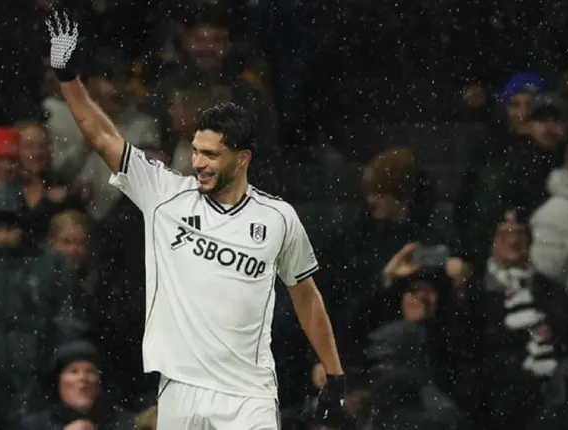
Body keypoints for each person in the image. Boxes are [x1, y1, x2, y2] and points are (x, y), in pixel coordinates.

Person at [43, 10, 345, 429]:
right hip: (181, 387)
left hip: (249, 392)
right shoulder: (165, 194)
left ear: (242, 159)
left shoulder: (278, 218)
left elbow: (306, 296)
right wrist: (68, 77)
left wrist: (334, 373)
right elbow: (102, 135)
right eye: (197, 151)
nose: (198, 162)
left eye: (211, 155)